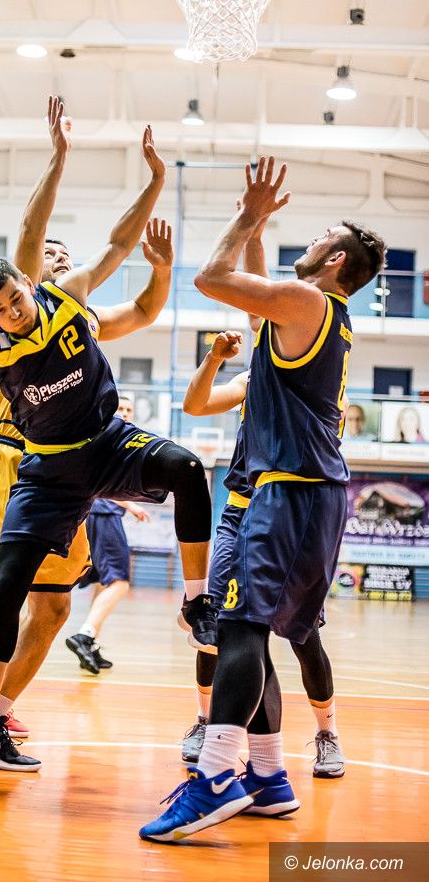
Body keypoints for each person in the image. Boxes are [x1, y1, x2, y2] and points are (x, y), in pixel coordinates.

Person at [0, 124, 214, 786]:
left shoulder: (74, 307)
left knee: (51, 610)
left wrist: (157, 194)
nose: (51, 258)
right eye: (44, 253)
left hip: (95, 454)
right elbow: (28, 229)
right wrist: (59, 156)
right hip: (22, 464)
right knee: (3, 594)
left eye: (58, 255)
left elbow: (139, 296)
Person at [141, 156, 385, 842]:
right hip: (305, 495)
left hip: (289, 493)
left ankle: (216, 776)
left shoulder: (310, 303)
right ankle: (270, 776)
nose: (308, 240)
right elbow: (255, 299)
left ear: (335, 260)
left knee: (242, 629)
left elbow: (210, 279)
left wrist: (248, 216)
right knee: (252, 632)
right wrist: (259, 230)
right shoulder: (316, 317)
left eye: (320, 237)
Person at [179, 326, 346, 780]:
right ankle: (205, 721)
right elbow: (195, 405)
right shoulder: (252, 379)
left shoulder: (316, 384)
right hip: (241, 510)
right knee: (215, 626)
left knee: (303, 636)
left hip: (290, 513)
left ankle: (328, 733)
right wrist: (215, 358)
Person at [66, 394, 150, 674]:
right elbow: (102, 484)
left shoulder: (113, 440)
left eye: (129, 409)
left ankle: (91, 644)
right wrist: (132, 505)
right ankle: (85, 634)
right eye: (120, 408)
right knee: (119, 582)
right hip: (102, 514)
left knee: (103, 584)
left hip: (94, 515)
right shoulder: (108, 439)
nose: (124, 413)